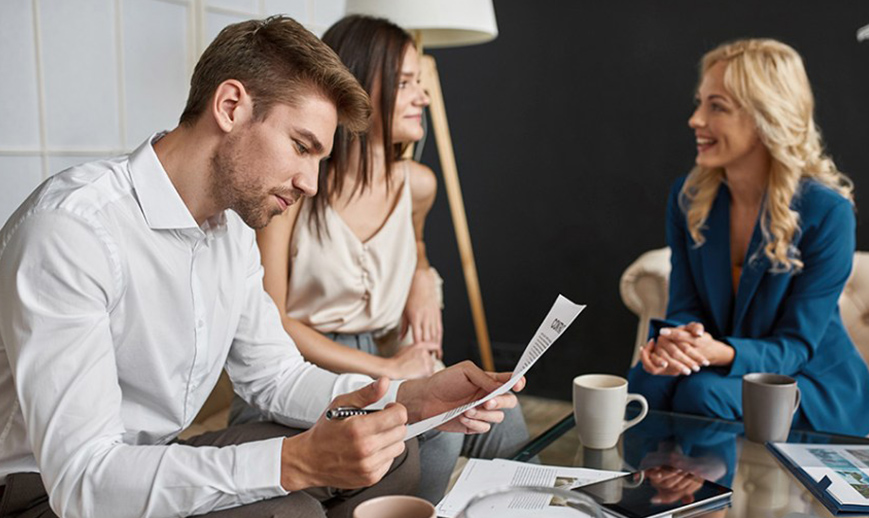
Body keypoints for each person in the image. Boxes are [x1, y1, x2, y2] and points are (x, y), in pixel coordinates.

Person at [0, 16, 523, 518]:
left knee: (388, 454)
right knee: (289, 509)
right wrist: (293, 463)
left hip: (155, 453)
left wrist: (410, 397)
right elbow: (83, 480)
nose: (311, 183)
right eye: (301, 147)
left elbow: (275, 377)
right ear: (231, 106)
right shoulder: (73, 230)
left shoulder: (230, 232)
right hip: (46, 492)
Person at [229, 15, 529, 504]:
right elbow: (273, 320)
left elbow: (416, 248)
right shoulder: (293, 189)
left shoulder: (418, 185)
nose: (424, 97)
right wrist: (388, 367)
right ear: (358, 84)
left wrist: (424, 281)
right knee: (434, 429)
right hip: (297, 367)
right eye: (407, 82)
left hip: (388, 354)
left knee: (502, 412)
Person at [628, 38, 869, 436]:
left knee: (704, 393)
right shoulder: (688, 197)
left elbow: (797, 345)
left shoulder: (827, 212)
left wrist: (720, 352)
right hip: (717, 365)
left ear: (766, 118)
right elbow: (684, 307)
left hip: (806, 380)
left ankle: (707, 497)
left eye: (717, 107)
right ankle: (653, 492)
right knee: (645, 380)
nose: (695, 119)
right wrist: (679, 342)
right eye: (700, 102)